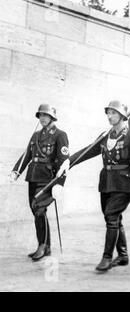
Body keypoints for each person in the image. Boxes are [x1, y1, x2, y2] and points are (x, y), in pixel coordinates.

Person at [59, 100, 130, 272]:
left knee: (111, 216)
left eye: (113, 113)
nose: (109, 116)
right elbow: (88, 151)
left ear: (122, 115)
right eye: (108, 113)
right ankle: (122, 255)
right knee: (113, 218)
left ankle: (107, 257)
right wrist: (69, 162)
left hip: (123, 183)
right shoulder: (105, 136)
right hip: (106, 182)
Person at [10, 104, 69, 261]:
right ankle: (46, 246)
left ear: (52, 117)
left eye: (45, 115)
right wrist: (16, 172)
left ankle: (42, 246)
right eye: (41, 115)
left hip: (47, 178)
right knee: (36, 210)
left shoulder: (60, 135)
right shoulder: (35, 135)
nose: (42, 118)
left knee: (39, 209)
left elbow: (64, 162)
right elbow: (27, 156)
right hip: (33, 176)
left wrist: (59, 183)